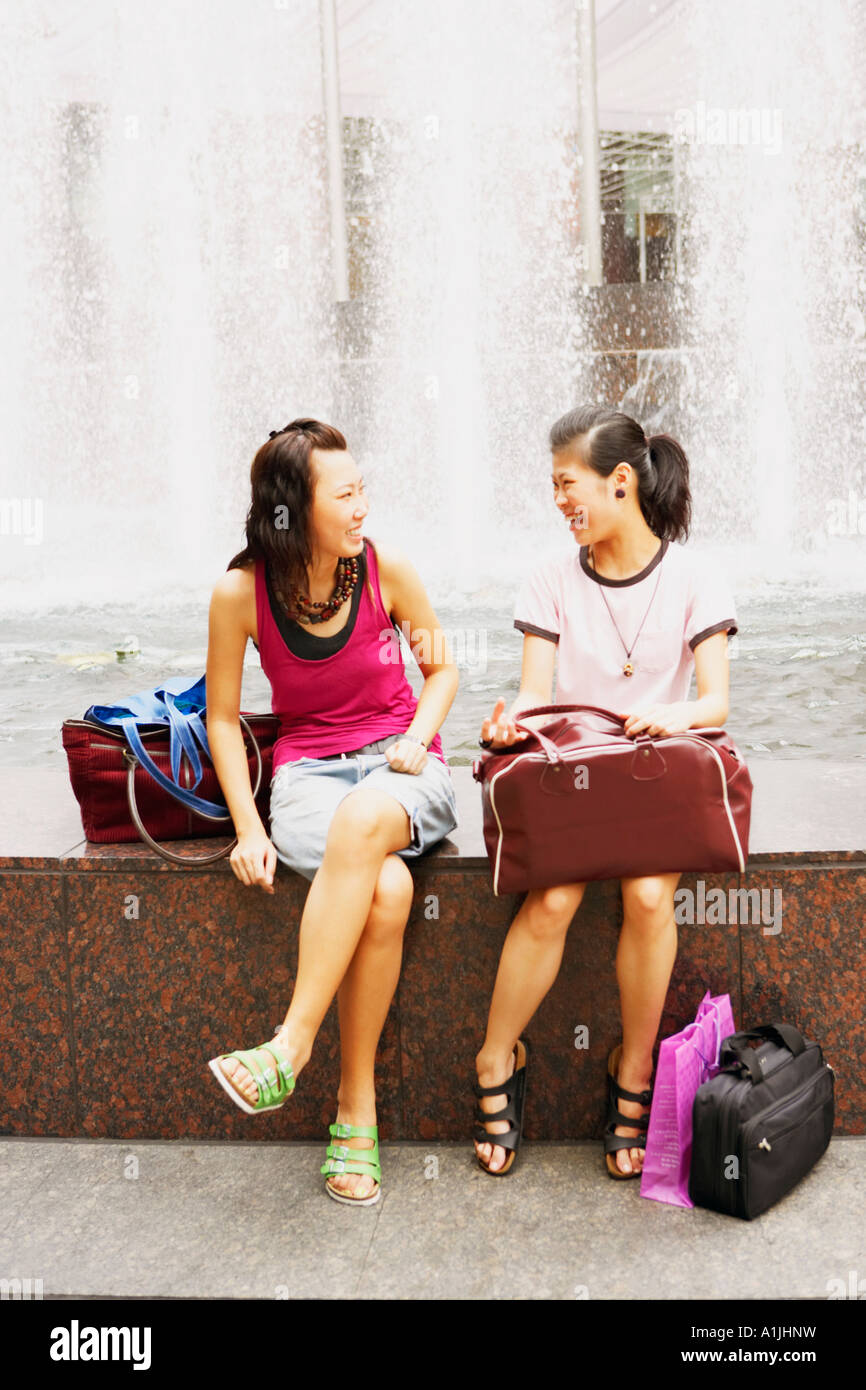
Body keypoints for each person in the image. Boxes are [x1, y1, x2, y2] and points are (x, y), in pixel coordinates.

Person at [473, 405, 737, 1179]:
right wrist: (505, 724)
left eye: (568, 484)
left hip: (655, 773)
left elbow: (714, 704)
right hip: (575, 776)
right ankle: (495, 1059)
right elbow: (532, 692)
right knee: (553, 899)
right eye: (553, 486)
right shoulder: (551, 577)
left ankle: (633, 1070)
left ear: (620, 482)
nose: (559, 501)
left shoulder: (694, 575)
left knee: (651, 897)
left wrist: (671, 712)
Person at [205, 418, 458, 1206]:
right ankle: (356, 1109)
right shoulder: (240, 593)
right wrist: (249, 827)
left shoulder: (388, 571)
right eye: (344, 495)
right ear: (293, 507)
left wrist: (417, 736)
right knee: (386, 890)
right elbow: (221, 717)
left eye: (362, 490)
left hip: (402, 764)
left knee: (364, 823)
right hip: (307, 776)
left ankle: (290, 1046)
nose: (362, 508)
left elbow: (442, 667)